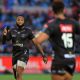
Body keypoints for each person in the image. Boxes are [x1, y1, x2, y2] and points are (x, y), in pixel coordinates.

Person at [35, 1, 80, 80]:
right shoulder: (73, 23)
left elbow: (38, 41)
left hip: (59, 60)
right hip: (71, 60)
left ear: (52, 11)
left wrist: (39, 33)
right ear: (64, 10)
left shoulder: (52, 25)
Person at [2, 15, 47, 80]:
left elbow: (36, 43)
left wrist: (43, 55)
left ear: (24, 21)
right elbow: (3, 42)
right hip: (15, 55)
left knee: (19, 72)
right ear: (16, 21)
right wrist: (4, 35)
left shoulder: (28, 31)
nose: (20, 21)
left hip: (24, 53)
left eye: (21, 20)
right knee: (17, 77)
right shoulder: (12, 31)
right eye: (18, 20)